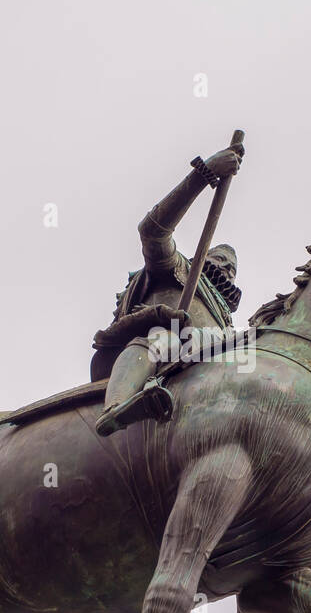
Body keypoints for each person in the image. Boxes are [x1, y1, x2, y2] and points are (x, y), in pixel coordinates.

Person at [89, 143, 243, 436]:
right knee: (162, 339)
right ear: (203, 257)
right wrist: (204, 174)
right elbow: (152, 231)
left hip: (204, 365)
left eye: (232, 269)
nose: (227, 270)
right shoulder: (178, 266)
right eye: (220, 260)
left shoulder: (225, 321)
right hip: (161, 346)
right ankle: (117, 406)